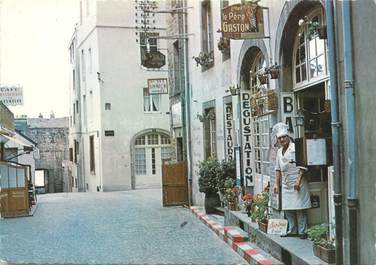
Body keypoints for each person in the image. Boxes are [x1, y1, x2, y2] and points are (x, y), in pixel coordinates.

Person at [272, 123, 311, 239]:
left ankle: (302, 231)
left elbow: (302, 165)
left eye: (284, 137)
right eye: (280, 138)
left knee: (299, 207)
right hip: (286, 182)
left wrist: (298, 180)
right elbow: (278, 169)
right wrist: (276, 183)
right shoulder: (279, 151)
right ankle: (292, 229)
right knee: (288, 208)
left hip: (297, 181)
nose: (282, 139)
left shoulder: (295, 148)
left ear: (288, 137)